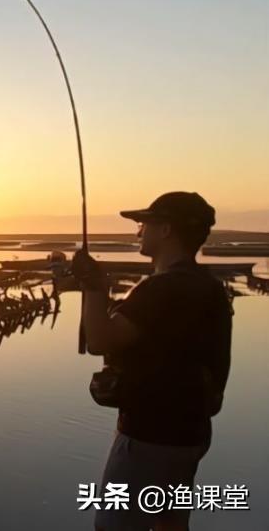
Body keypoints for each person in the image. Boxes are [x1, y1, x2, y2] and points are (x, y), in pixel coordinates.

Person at [72, 191, 233, 531]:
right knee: (170, 525)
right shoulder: (209, 288)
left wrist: (95, 286)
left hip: (149, 437)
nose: (138, 232)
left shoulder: (160, 290)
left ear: (167, 230)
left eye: (144, 224)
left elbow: (99, 340)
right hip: (190, 434)